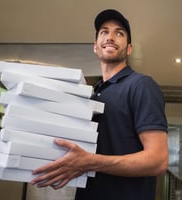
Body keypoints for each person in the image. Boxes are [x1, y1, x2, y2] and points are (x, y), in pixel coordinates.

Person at [31, 9, 169, 200]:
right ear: (95, 46)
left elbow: (158, 161)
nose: (110, 37)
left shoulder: (141, 85)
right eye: (104, 32)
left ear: (129, 48)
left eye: (119, 33)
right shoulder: (94, 93)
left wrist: (90, 162)